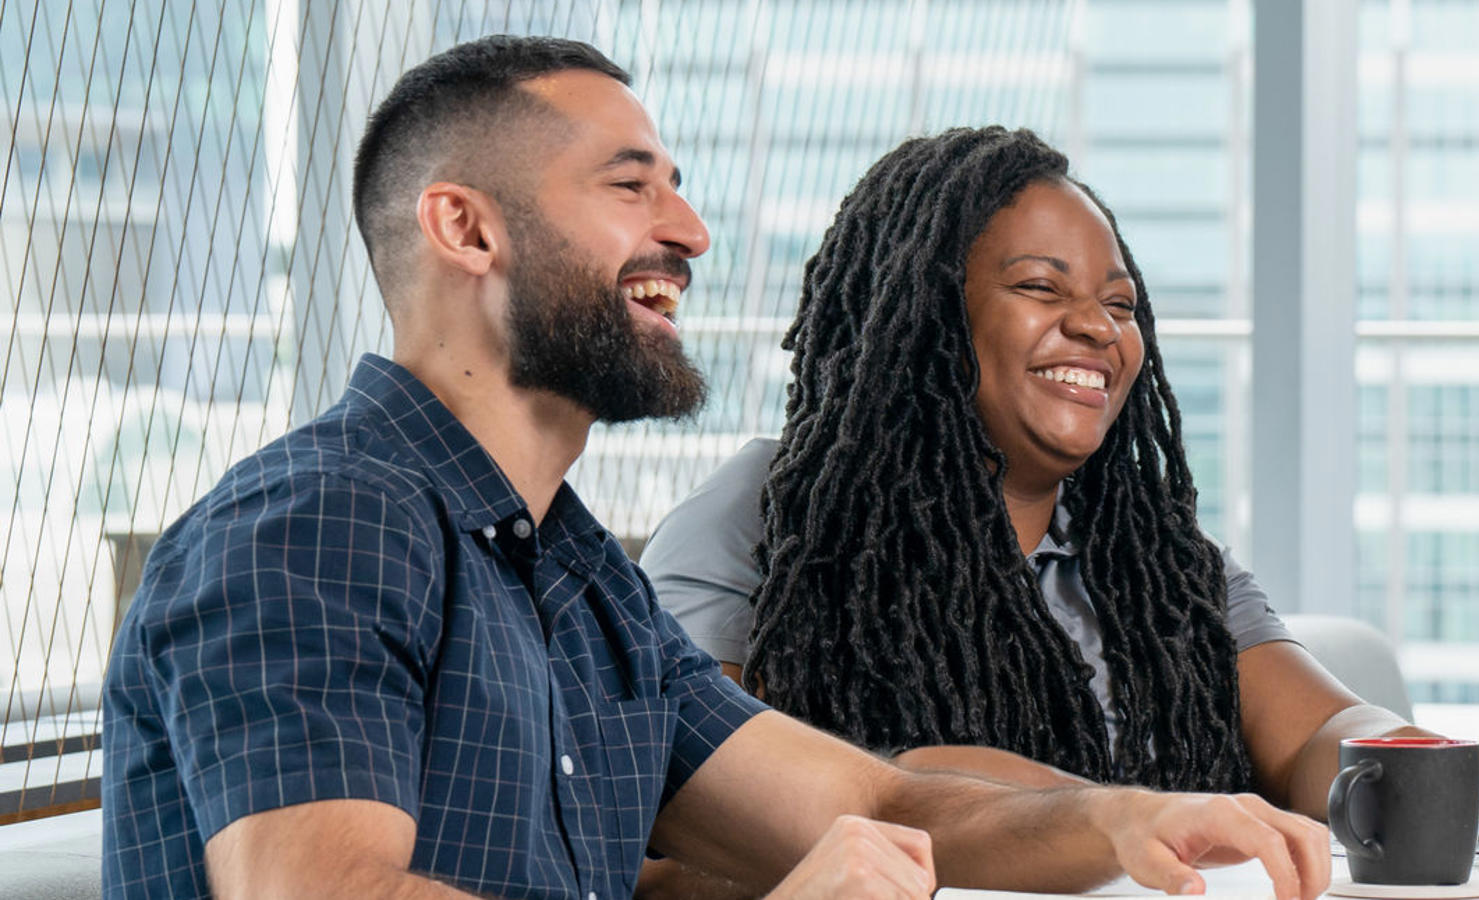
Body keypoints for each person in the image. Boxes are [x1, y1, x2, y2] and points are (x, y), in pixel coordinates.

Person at [101, 38, 1331, 900]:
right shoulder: (319, 525)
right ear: (465, 227)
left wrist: (1124, 817)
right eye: (631, 187)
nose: (688, 232)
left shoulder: (579, 581)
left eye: (679, 191)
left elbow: (882, 806)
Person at [642, 127, 1479, 822]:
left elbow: (1315, 731)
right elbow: (707, 787)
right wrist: (1129, 825)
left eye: (1119, 305)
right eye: (1042, 288)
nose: (1096, 327)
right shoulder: (766, 510)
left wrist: (1392, 754)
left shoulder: (1157, 556)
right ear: (930, 315)